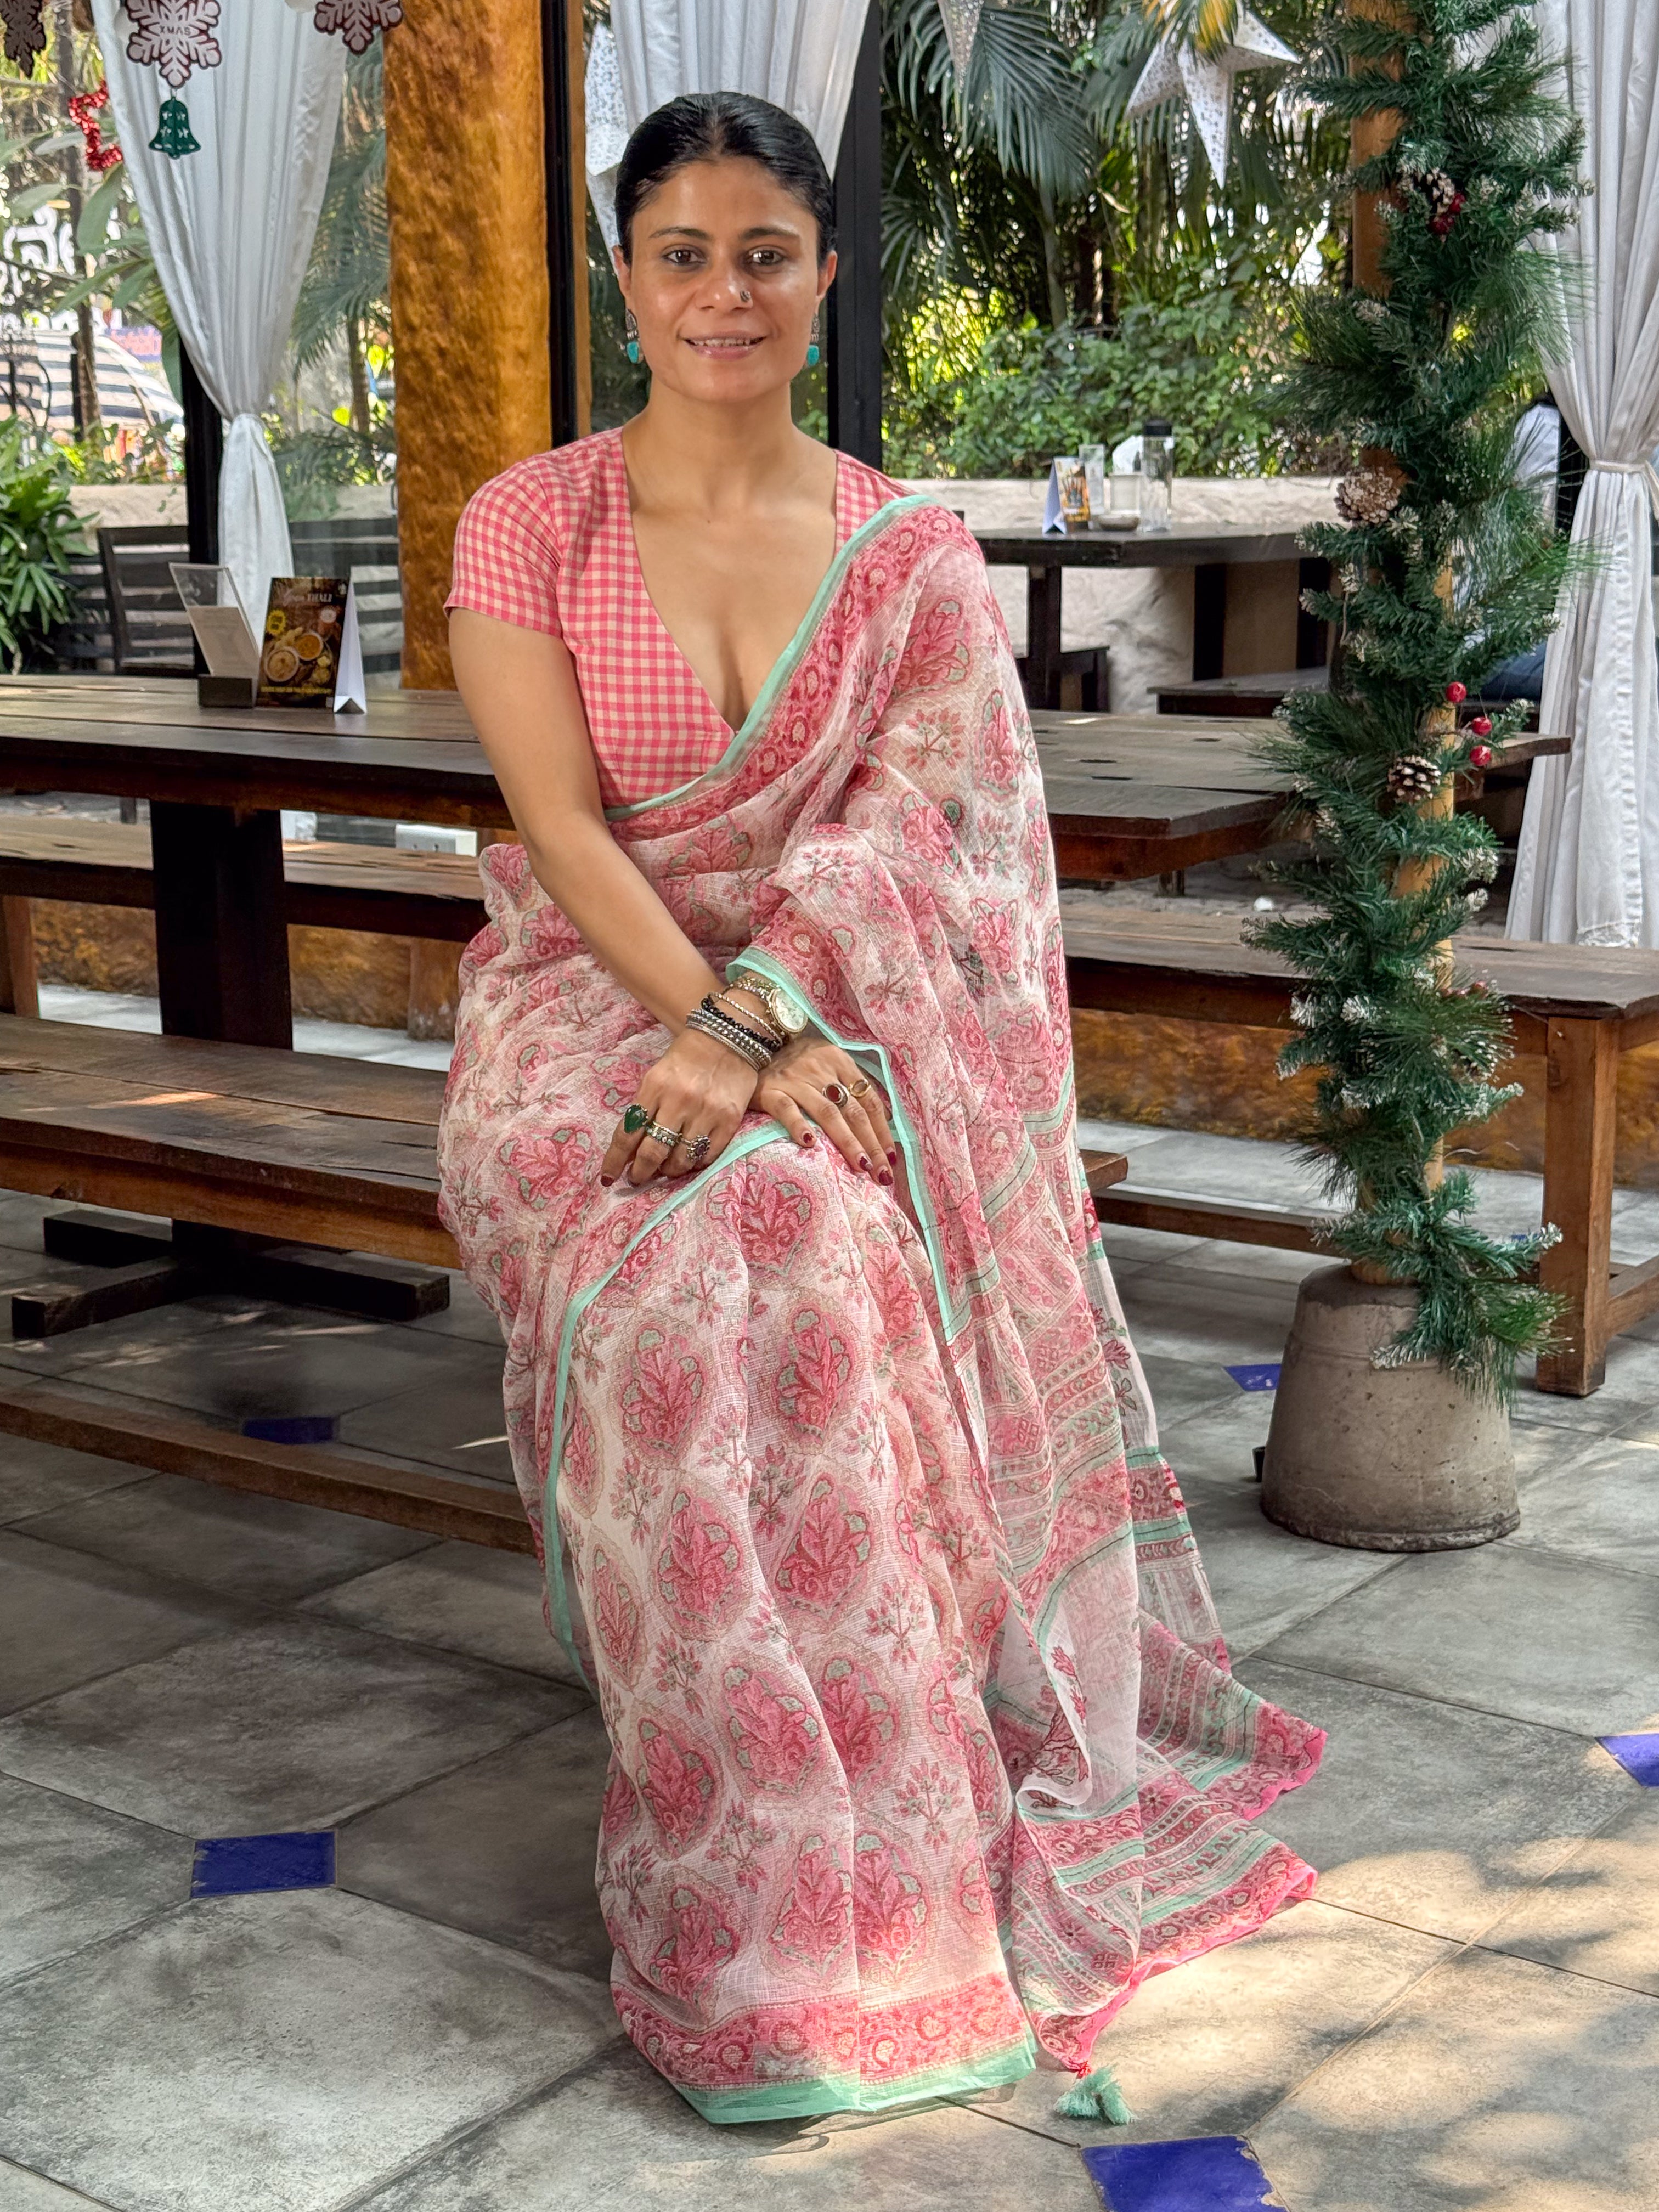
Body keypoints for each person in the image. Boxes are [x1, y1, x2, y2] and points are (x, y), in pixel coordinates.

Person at [439, 90, 1324, 2127]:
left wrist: (768, 1018)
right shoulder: (532, 522)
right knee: (692, 1249)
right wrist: (718, 1025)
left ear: (826, 274)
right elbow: (562, 831)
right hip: (582, 1004)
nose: (723, 293)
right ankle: (745, 1846)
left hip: (842, 1008)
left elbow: (919, 834)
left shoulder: (904, 550)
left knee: (815, 1226)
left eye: (766, 254)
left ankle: (886, 1858)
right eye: (682, 254)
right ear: (626, 280)